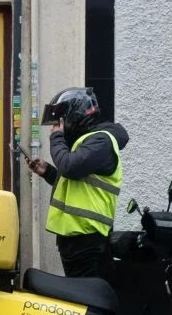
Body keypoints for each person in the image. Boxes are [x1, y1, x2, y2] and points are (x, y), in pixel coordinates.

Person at [28, 86, 129, 278]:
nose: (58, 126)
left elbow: (69, 167)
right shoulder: (88, 142)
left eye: (61, 119)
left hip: (87, 239)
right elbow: (76, 184)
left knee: (88, 300)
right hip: (75, 239)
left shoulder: (101, 141)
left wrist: (56, 137)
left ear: (75, 114)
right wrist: (48, 172)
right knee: (81, 299)